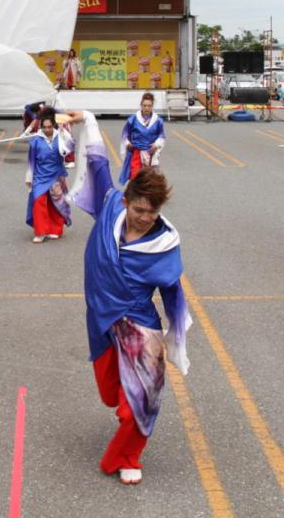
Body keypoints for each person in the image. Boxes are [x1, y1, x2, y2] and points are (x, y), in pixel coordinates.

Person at [60, 110, 189, 486]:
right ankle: (126, 416)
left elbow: (174, 294)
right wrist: (87, 119)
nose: (144, 218)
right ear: (126, 200)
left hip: (138, 326)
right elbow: (97, 161)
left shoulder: (165, 243)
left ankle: (125, 457)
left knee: (142, 401)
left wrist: (176, 339)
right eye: (139, 209)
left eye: (152, 212)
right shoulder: (110, 205)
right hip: (100, 318)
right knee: (110, 394)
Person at [24, 107, 71, 243]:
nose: (47, 130)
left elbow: (70, 148)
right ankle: (41, 232)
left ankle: (56, 229)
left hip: (56, 174)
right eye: (44, 127)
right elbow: (31, 162)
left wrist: (64, 132)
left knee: (56, 202)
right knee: (38, 201)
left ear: (53, 125)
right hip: (40, 175)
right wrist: (29, 178)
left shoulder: (61, 137)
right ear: (41, 126)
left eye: (50, 127)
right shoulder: (35, 141)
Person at [118, 92, 166, 184]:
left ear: (152, 106)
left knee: (149, 180)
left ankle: (147, 197)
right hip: (136, 153)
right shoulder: (133, 119)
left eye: (149, 106)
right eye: (144, 105)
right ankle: (135, 197)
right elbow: (125, 134)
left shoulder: (158, 121)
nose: (147, 108)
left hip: (150, 153)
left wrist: (157, 145)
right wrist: (127, 143)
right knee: (135, 178)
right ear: (141, 105)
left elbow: (162, 136)